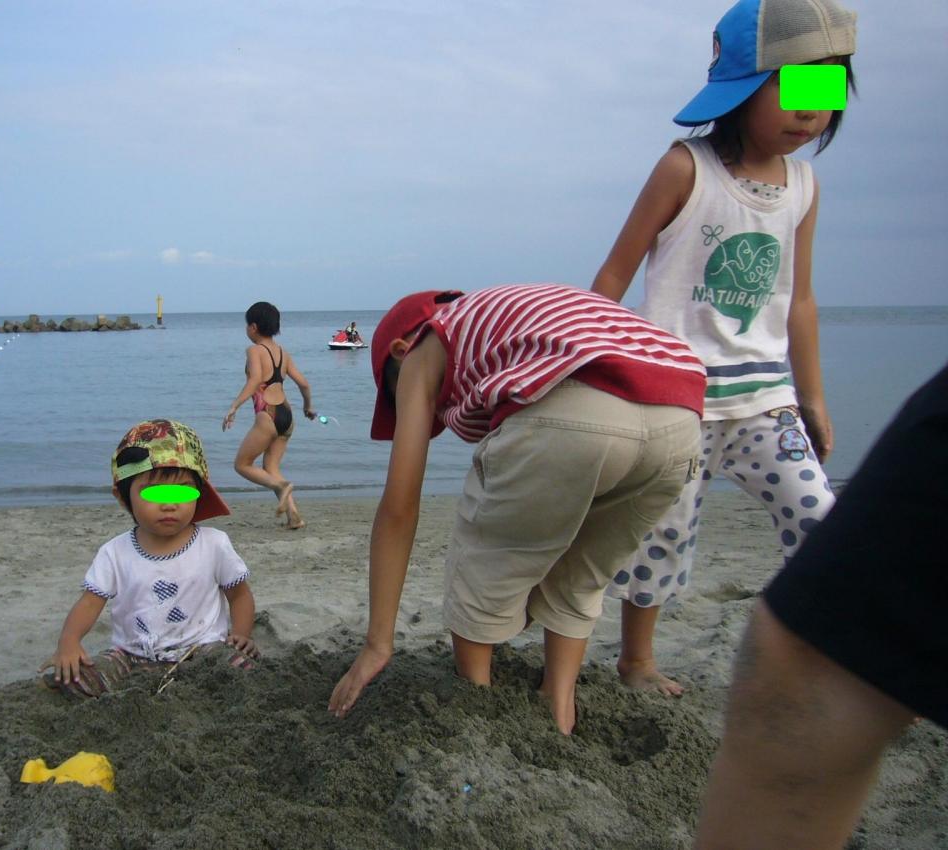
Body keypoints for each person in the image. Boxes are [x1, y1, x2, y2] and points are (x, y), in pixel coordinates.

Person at [591, 0, 857, 695]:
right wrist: (592, 367)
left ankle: (839, 654)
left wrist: (813, 397)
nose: (810, 112)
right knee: (665, 530)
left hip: (767, 400)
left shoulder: (804, 185)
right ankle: (636, 661)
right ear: (743, 87)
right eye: (793, 88)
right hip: (680, 401)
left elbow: (799, 299)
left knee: (820, 516)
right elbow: (616, 273)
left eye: (827, 90)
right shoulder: (686, 168)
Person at [327, 284, 706, 734]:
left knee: (483, 566)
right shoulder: (515, 318)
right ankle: (559, 708)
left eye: (396, 395)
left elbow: (400, 506)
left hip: (575, 406)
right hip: (680, 415)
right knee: (580, 576)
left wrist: (377, 644)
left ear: (400, 349)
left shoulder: (425, 344)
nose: (431, 413)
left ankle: (477, 708)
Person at [693, 361, 947, 849]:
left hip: (765, 399)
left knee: (816, 650)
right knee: (813, 655)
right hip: (698, 396)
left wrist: (811, 397)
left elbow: (799, 310)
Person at [40, 419, 259, 698]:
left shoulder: (214, 544)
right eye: (153, 493)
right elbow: (89, 603)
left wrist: (241, 634)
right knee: (78, 678)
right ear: (123, 498)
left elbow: (239, 595)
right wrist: (69, 642)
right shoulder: (115, 552)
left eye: (182, 491)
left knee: (241, 669)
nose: (169, 504)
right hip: (130, 656)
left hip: (202, 650)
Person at [222, 301, 316, 530]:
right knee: (271, 468)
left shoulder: (254, 350)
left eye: (247, 325)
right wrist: (308, 408)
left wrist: (234, 406)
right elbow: (304, 384)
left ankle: (281, 486)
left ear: (253, 327)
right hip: (287, 415)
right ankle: (294, 518)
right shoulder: (283, 352)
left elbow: (255, 380)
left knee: (242, 465)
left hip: (268, 414)